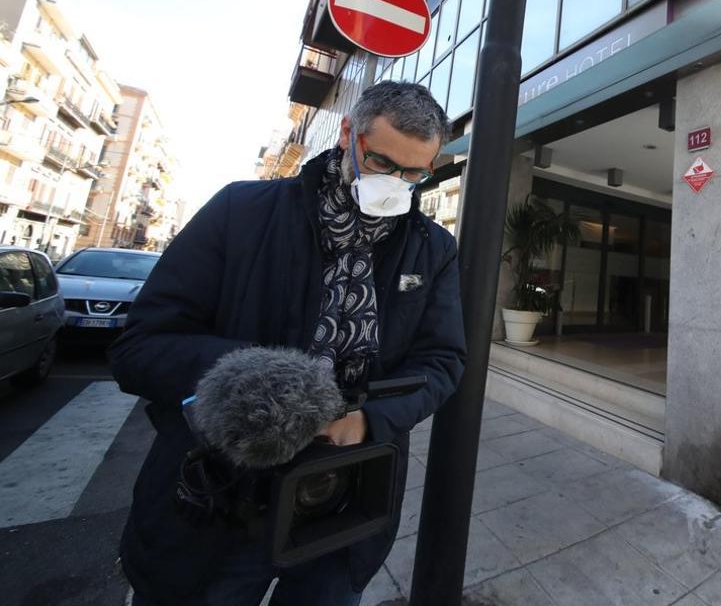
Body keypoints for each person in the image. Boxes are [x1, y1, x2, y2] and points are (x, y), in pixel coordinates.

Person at [108, 82, 467, 605]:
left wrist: (368, 420)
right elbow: (140, 347)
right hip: (219, 501)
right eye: (384, 164)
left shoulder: (432, 248)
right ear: (348, 134)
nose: (399, 183)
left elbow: (442, 359)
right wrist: (262, 389)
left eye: (416, 173)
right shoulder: (242, 211)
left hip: (345, 502)